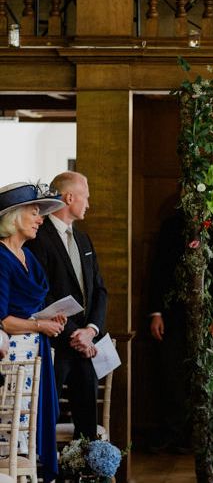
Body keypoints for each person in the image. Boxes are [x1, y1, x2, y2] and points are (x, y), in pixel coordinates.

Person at [147, 208, 213, 453]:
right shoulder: (171, 226)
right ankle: (172, 433)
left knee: (205, 377)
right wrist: (156, 312)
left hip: (211, 319)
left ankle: (201, 437)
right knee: (170, 374)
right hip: (173, 316)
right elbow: (159, 269)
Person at [26, 171, 108, 442]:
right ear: (69, 197)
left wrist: (91, 330)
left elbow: (99, 291)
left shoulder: (84, 240)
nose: (88, 204)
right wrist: (75, 334)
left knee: (87, 422)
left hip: (84, 345)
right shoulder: (38, 237)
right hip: (55, 344)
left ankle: (86, 472)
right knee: (45, 417)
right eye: (85, 197)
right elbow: (41, 292)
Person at [0, 182, 68, 482]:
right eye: (34, 212)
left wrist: (51, 319)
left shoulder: (30, 258)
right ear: (14, 216)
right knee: (13, 433)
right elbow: (2, 319)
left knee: (32, 430)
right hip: (11, 361)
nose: (40, 219)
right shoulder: (1, 258)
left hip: (35, 355)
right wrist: (40, 325)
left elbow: (33, 308)